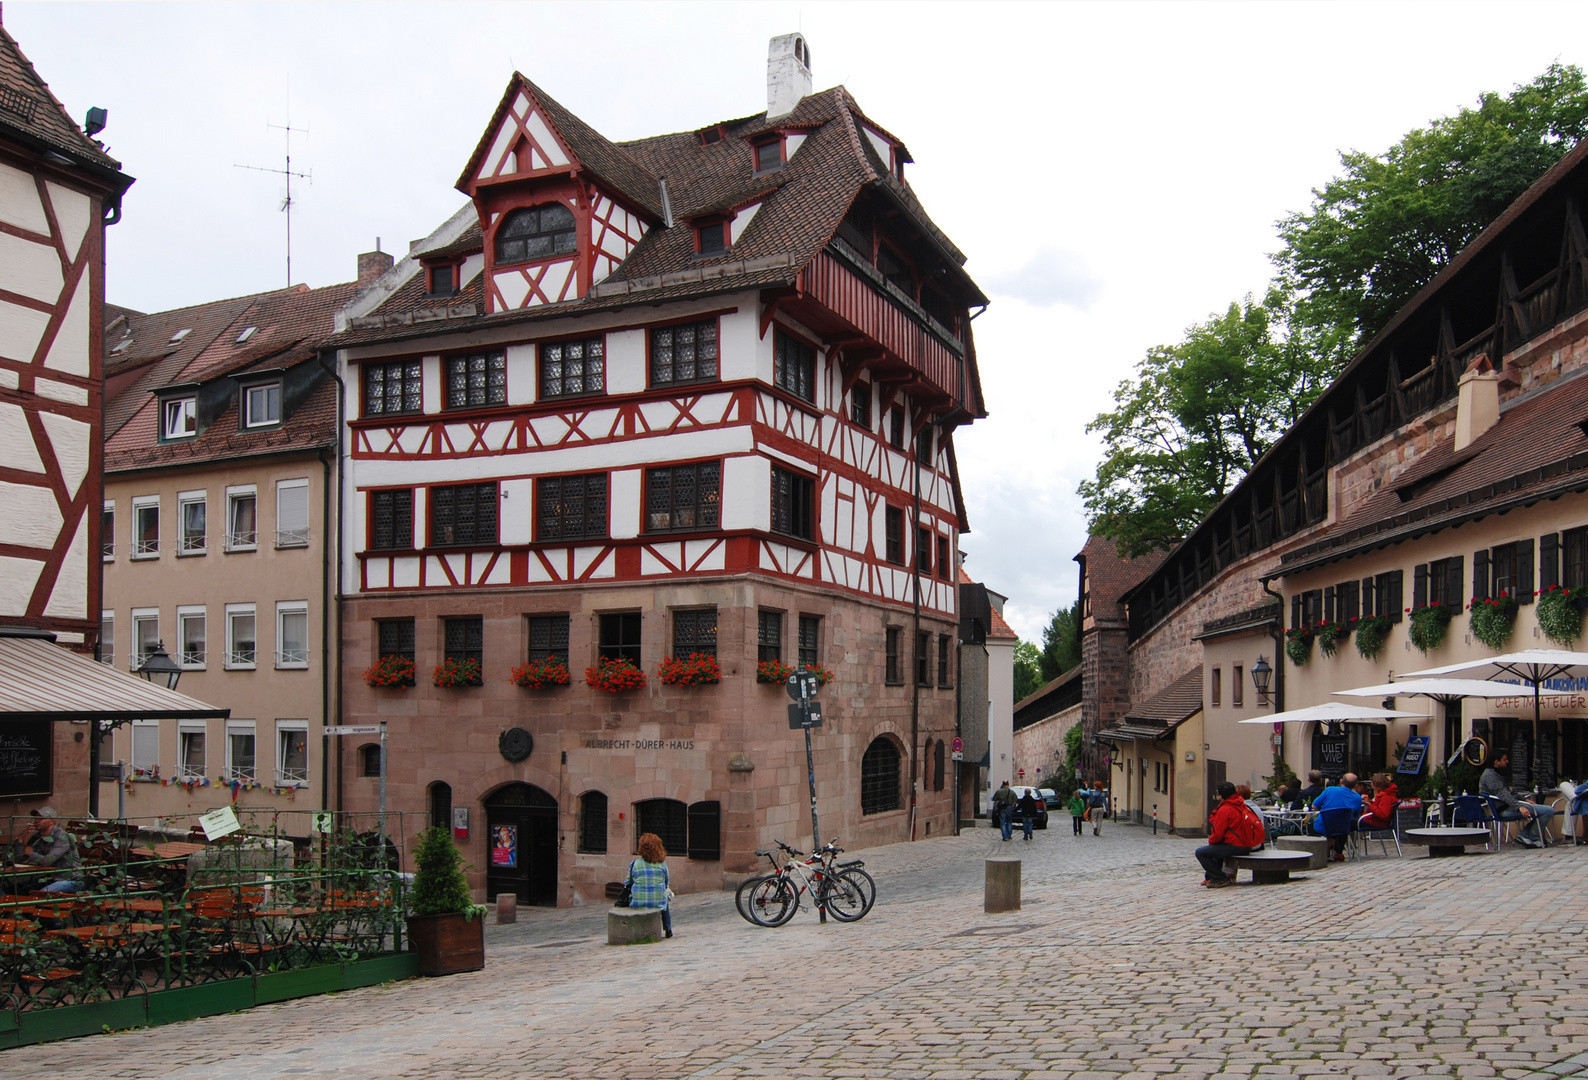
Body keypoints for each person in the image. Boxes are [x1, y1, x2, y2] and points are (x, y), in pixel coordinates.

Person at [1196, 781, 1266, 888]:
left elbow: (1218, 834)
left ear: (1221, 795)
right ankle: (1210, 877)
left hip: (1237, 846)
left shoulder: (1225, 809)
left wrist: (1212, 843)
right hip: (1247, 844)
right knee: (1216, 850)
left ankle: (1220, 878)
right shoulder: (1240, 804)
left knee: (1201, 852)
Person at [1480, 752, 1556, 848]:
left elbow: (1509, 792)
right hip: (1504, 810)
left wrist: (1524, 799)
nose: (1507, 761)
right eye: (1504, 759)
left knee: (1542, 811)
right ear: (1496, 762)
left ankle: (1525, 836)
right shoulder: (1490, 776)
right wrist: (1520, 806)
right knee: (1548, 811)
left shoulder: (1495, 774)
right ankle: (1530, 836)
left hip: (1508, 807)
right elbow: (1503, 794)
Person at [6, 807, 82, 893]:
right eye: (36, 818)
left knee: (40, 895)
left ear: (52, 821)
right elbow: (18, 859)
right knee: (16, 890)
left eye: (41, 818)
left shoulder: (61, 837)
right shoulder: (37, 837)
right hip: (48, 879)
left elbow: (47, 861)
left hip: (69, 879)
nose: (36, 821)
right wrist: (21, 839)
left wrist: (31, 853)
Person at [625, 832, 673, 938]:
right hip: (658, 901)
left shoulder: (634, 864)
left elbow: (628, 882)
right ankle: (668, 928)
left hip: (638, 900)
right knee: (664, 898)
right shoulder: (662, 864)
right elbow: (666, 883)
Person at [1311, 773, 1364, 861]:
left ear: (1341, 781)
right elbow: (1356, 815)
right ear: (1355, 785)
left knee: (1310, 824)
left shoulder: (1330, 790)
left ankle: (1318, 852)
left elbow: (1314, 805)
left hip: (1323, 827)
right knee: (1343, 822)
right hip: (1343, 829)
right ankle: (1337, 852)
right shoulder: (1357, 798)